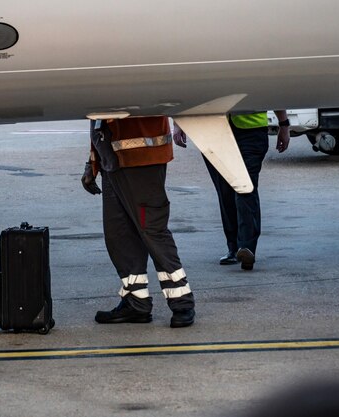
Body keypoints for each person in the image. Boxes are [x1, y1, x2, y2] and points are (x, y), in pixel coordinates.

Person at [81, 116, 195, 328]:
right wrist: (93, 162)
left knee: (152, 230)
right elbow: (97, 116)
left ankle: (182, 301)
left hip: (142, 159)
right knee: (119, 235)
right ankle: (136, 301)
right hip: (112, 159)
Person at [173, 111, 290, 270]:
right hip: (212, 131)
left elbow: (272, 89)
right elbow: (190, 89)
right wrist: (179, 122)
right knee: (225, 192)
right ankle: (234, 247)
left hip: (251, 130)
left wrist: (284, 124)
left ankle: (247, 247)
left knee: (245, 186)